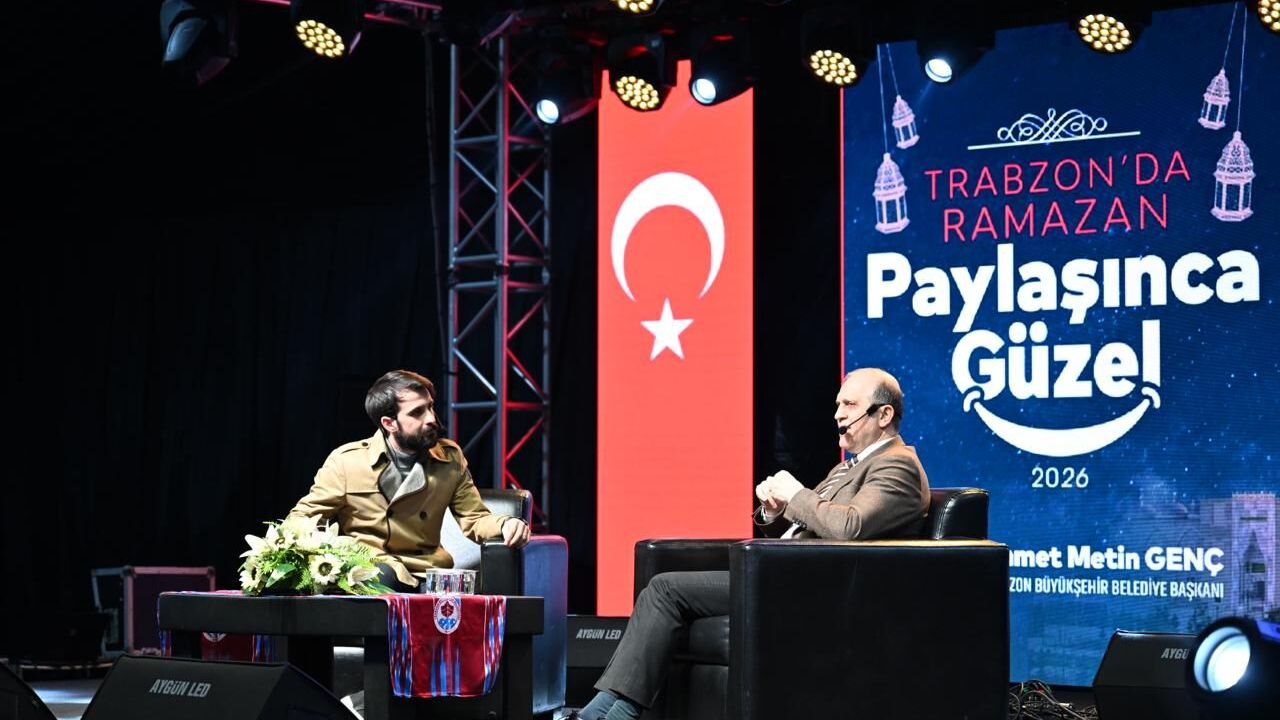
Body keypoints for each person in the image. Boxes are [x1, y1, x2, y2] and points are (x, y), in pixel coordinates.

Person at [576, 368, 930, 720]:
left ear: (884, 414)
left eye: (850, 405)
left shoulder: (898, 466)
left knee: (665, 589)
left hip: (821, 590)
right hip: (788, 576)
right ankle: (603, 710)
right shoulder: (847, 468)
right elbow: (808, 531)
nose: (838, 414)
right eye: (838, 404)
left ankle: (612, 713)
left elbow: (849, 527)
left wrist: (796, 494)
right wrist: (776, 511)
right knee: (664, 593)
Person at [289, 370, 530, 591]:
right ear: (389, 423)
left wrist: (506, 524)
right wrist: (330, 552)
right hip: (372, 571)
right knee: (380, 577)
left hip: (427, 572)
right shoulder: (348, 462)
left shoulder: (449, 459)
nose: (431, 418)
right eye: (417, 412)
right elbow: (302, 519)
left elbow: (474, 518)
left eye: (430, 407)